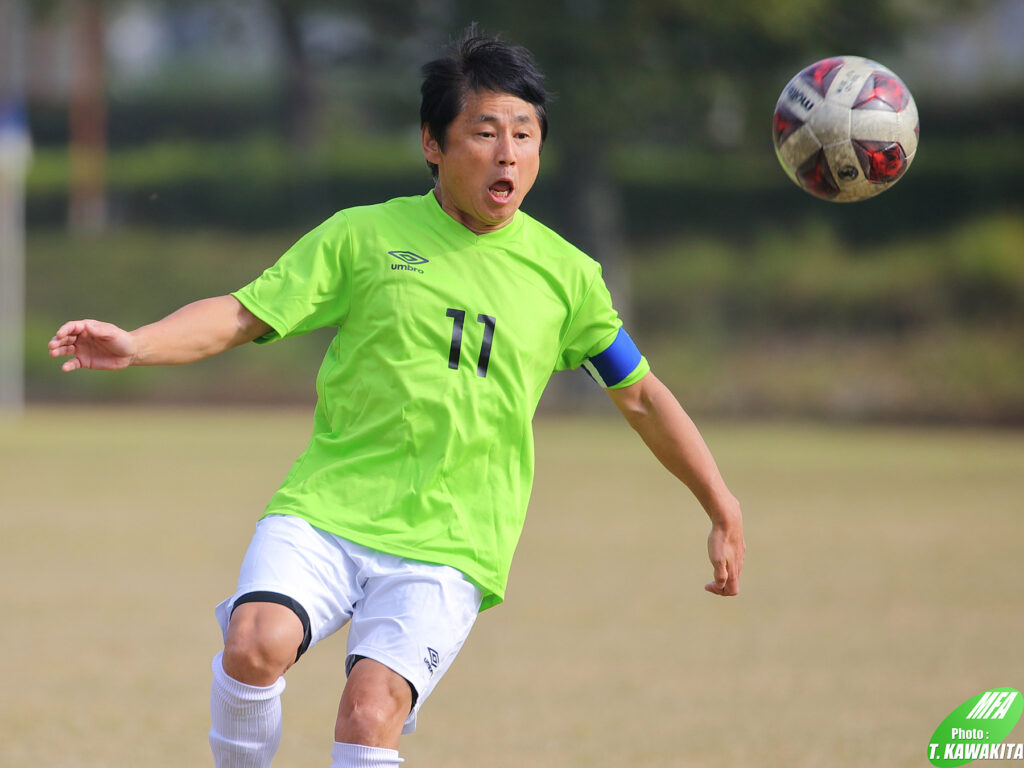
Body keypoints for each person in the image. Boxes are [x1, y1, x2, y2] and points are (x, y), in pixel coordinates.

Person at [48, 30, 744, 768]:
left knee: (370, 711)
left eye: (524, 135)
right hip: (328, 506)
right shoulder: (364, 236)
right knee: (254, 643)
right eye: (485, 132)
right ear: (432, 144)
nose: (508, 154)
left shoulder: (568, 277)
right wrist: (138, 343)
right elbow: (245, 314)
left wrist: (721, 503)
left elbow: (641, 396)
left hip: (452, 540)